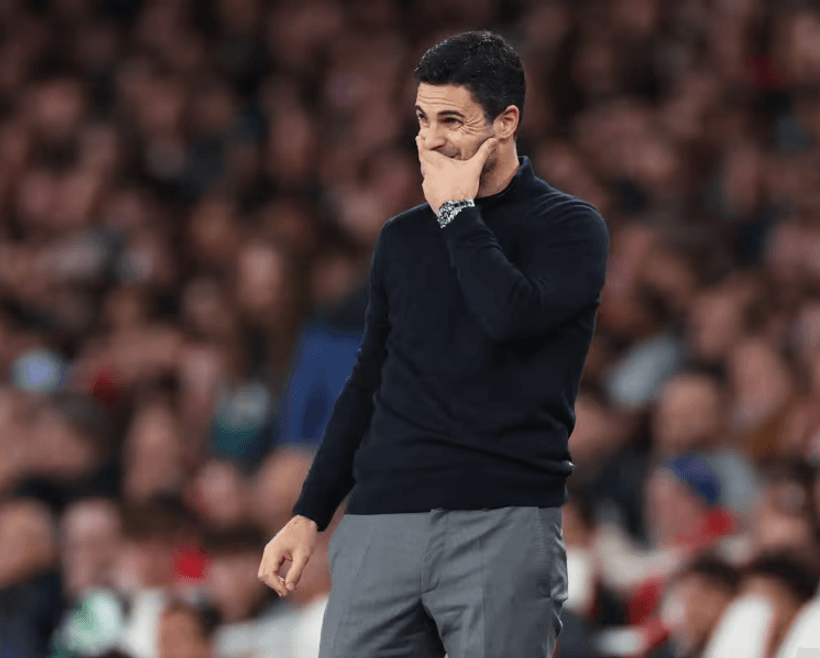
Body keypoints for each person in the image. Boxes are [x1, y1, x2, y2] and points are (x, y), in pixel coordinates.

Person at [258, 30, 610, 658]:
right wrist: (309, 513)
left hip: (501, 517)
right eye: (422, 119)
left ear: (506, 123)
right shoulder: (402, 239)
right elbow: (368, 381)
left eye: (452, 121)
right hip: (380, 519)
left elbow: (509, 318)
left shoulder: (569, 227)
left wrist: (457, 215)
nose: (430, 139)